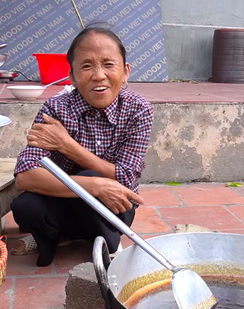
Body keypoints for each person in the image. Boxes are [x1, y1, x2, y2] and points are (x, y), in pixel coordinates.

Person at [10, 23, 153, 267]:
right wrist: (95, 185)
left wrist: (67, 146)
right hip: (65, 203)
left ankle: (109, 249)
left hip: (110, 211)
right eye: (86, 66)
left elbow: (127, 178)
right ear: (72, 78)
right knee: (25, 205)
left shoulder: (138, 109)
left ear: (126, 71)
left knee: (94, 177)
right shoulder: (56, 109)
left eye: (109, 64)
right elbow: (25, 176)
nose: (99, 75)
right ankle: (55, 238)